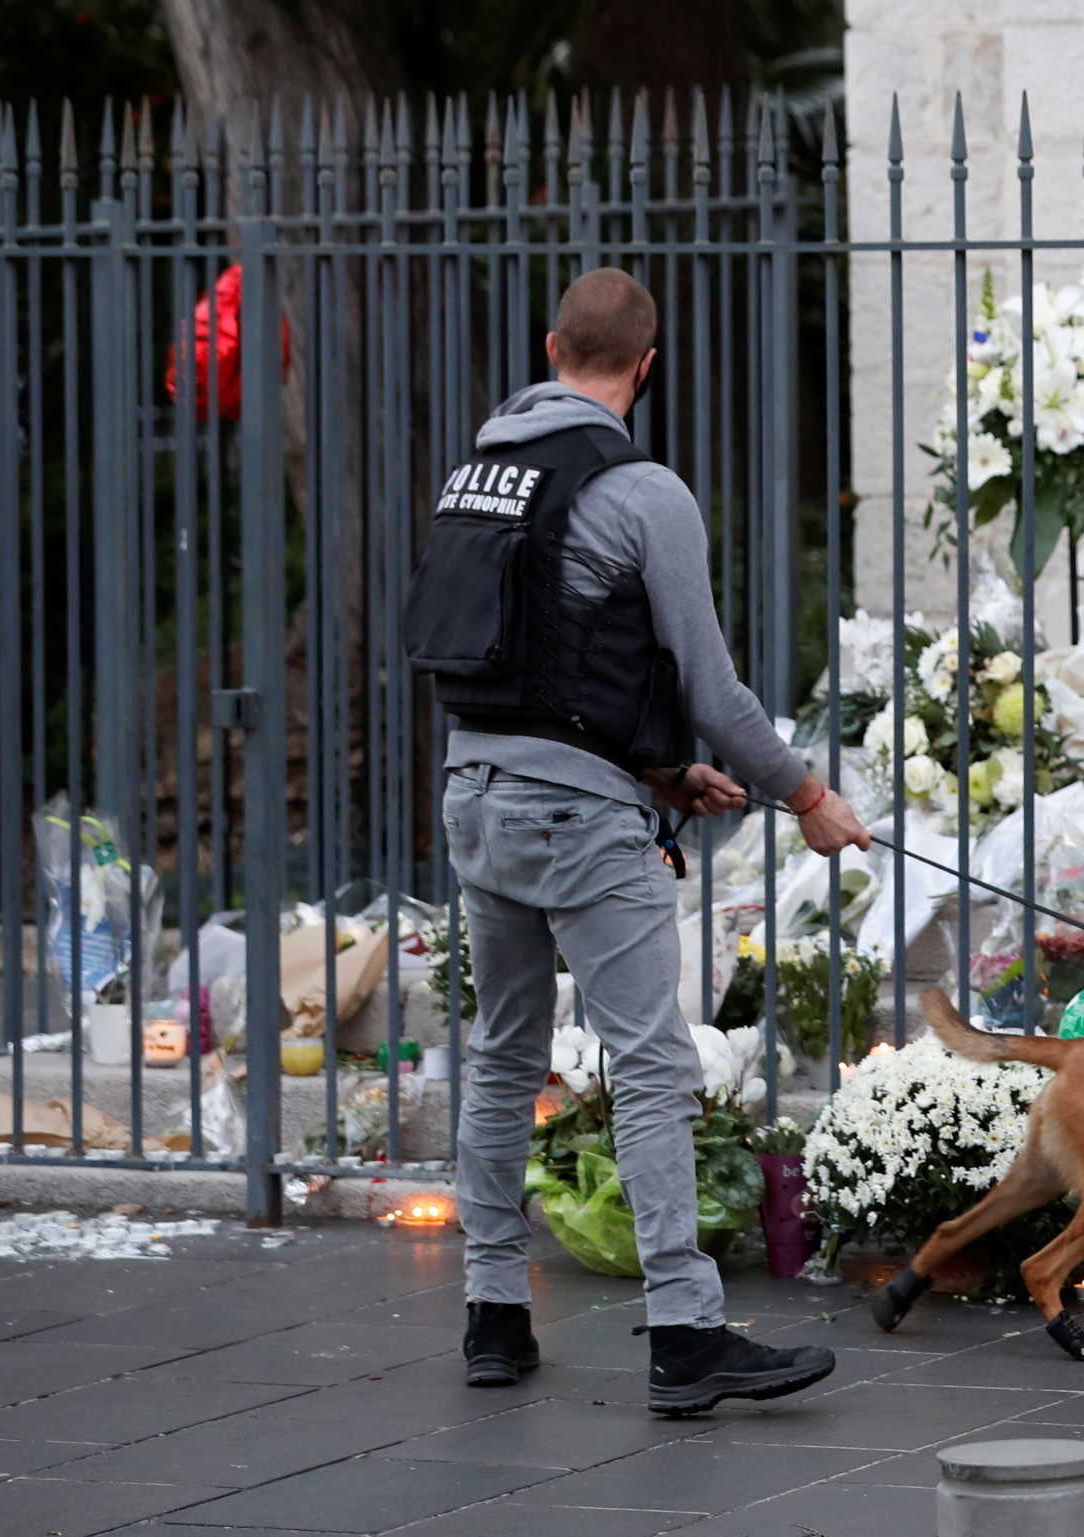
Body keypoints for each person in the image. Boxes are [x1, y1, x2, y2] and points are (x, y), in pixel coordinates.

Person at [407, 267, 869, 1416]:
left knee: (507, 1052)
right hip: (577, 821)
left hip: (474, 793)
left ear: (552, 343)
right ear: (645, 366)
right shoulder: (642, 488)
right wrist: (805, 791)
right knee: (653, 1063)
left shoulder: (480, 473)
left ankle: (493, 1318)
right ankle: (685, 1332)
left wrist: (663, 773)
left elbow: (520, 668)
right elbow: (710, 685)